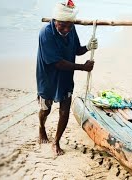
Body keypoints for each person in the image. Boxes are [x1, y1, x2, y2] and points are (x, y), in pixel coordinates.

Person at [36, 0, 98, 156]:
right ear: (55, 21)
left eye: (69, 26)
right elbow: (57, 63)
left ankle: (56, 141)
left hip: (65, 78)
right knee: (45, 109)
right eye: (62, 26)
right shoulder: (46, 33)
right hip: (48, 78)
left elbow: (76, 50)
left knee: (64, 111)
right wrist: (82, 67)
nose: (66, 29)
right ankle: (41, 128)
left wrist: (88, 47)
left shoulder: (71, 29)